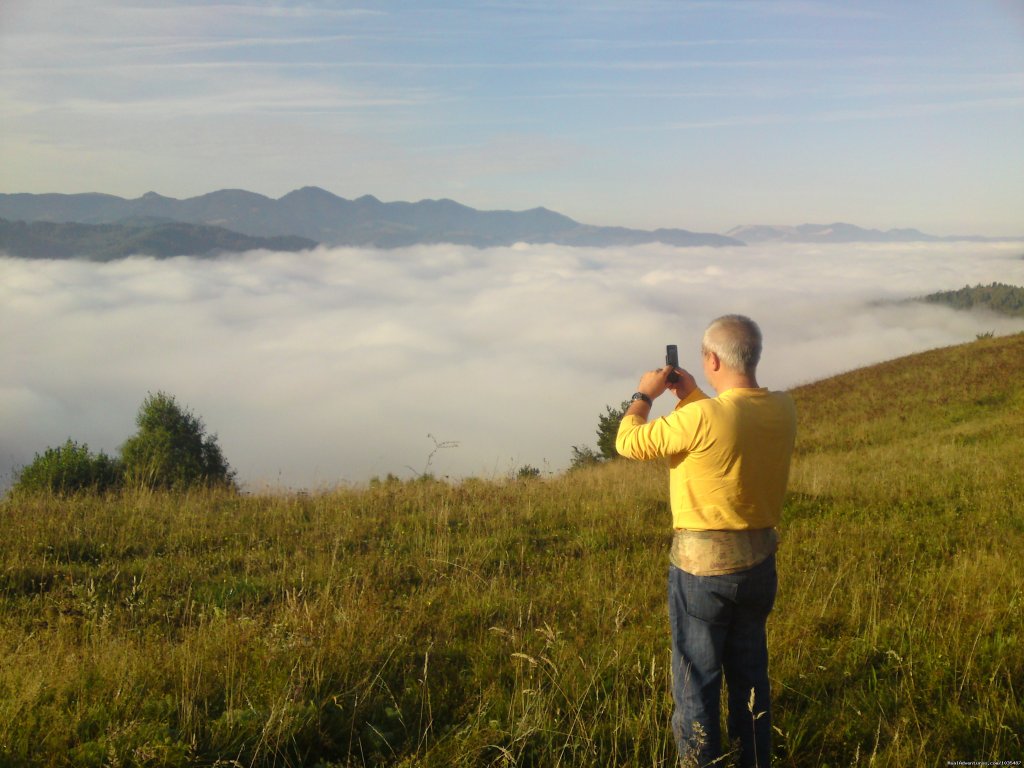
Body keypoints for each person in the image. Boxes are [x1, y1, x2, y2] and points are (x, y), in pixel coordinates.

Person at [615, 315, 796, 767]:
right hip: (758, 565)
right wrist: (691, 394)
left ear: (712, 359)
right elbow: (725, 423)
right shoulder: (783, 407)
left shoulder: (701, 417)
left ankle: (701, 761)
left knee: (696, 681)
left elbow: (628, 442)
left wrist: (644, 395)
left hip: (701, 572)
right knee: (750, 674)